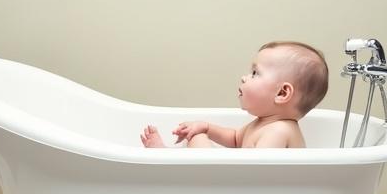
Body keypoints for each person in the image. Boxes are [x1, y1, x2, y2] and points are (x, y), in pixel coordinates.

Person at [140, 41, 328, 149]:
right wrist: (206, 127)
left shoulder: (278, 131)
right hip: (235, 185)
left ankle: (166, 162)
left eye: (255, 73)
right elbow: (236, 138)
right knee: (198, 137)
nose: (244, 77)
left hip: (242, 193)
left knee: (201, 146)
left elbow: (256, 175)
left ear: (281, 93)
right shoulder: (263, 123)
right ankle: (168, 160)